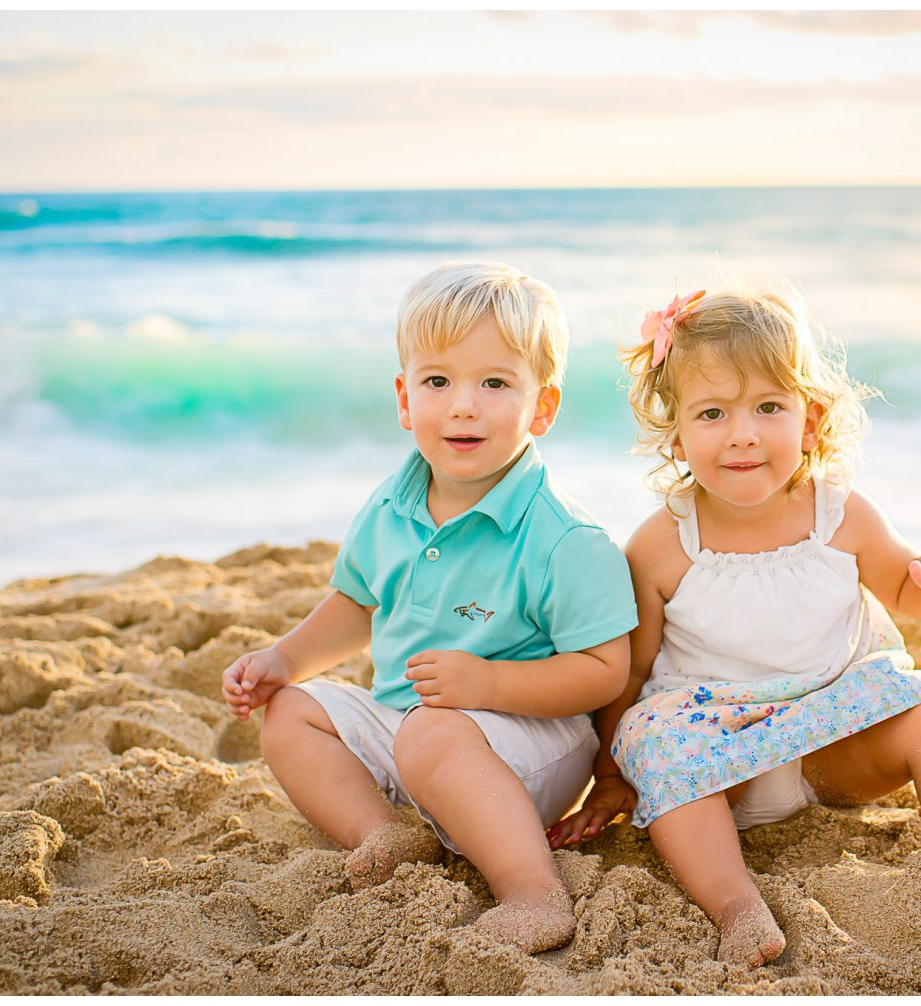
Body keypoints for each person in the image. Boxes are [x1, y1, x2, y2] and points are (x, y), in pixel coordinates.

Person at [548, 285, 921, 968]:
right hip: (714, 759)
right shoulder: (664, 542)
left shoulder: (839, 514)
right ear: (676, 434)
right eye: (712, 412)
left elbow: (906, 579)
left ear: (810, 418)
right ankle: (735, 905)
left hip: (833, 740)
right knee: (660, 748)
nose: (743, 432)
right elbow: (632, 673)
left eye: (768, 407)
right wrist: (611, 774)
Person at [222, 262, 637, 954]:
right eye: (438, 381)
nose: (462, 405)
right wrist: (283, 658)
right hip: (408, 723)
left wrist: (490, 684)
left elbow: (605, 671)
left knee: (433, 734)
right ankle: (386, 833)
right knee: (292, 711)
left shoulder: (563, 537)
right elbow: (356, 604)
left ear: (543, 407)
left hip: (523, 743)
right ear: (405, 399)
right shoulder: (392, 504)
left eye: (495, 383)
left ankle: (534, 891)